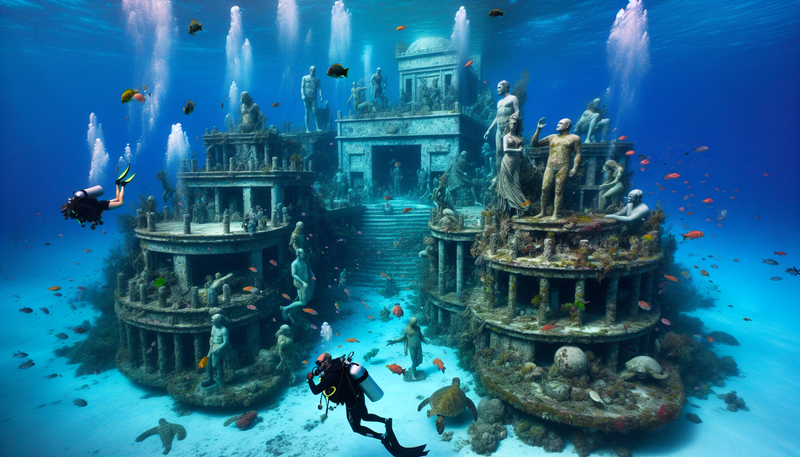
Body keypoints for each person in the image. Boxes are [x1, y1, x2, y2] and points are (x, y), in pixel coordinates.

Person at [307, 352, 429, 457]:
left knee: (356, 428)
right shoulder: (338, 364)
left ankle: (382, 437)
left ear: (327, 361)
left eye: (319, 363)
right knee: (364, 415)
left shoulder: (330, 376)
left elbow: (315, 391)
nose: (317, 366)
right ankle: (386, 420)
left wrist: (309, 379)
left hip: (352, 402)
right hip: (359, 394)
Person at [530, 117, 582, 220]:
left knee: (558, 191)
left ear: (567, 126)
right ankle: (543, 212)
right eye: (558, 123)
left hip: (563, 166)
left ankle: (555, 213)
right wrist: (538, 129)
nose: (557, 125)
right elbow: (533, 144)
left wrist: (575, 168)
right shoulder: (552, 137)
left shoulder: (575, 138)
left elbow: (578, 154)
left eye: (560, 123)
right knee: (544, 189)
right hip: (550, 166)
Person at [61, 164, 136, 229]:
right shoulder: (75, 211)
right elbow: (80, 217)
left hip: (102, 206)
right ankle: (117, 183)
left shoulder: (78, 207)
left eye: (65, 212)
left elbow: (92, 209)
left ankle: (122, 185)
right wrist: (83, 223)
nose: (65, 215)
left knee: (121, 203)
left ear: (68, 208)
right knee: (117, 199)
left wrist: (93, 221)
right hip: (100, 204)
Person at [483, 80, 519, 180]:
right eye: (497, 88)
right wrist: (489, 130)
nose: (497, 89)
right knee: (498, 151)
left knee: (507, 152)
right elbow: (497, 117)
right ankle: (499, 175)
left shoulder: (513, 98)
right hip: (499, 128)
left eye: (499, 87)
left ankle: (509, 175)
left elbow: (517, 111)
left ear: (505, 87)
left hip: (508, 128)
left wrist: (514, 119)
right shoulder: (499, 102)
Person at [495, 113, 528, 216]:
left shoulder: (520, 138)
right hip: (507, 162)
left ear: (517, 125)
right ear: (508, 125)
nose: (513, 125)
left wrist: (530, 162)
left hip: (517, 163)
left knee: (517, 185)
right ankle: (509, 211)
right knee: (506, 185)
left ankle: (522, 206)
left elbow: (524, 153)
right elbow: (505, 150)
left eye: (515, 124)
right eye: (511, 124)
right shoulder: (506, 137)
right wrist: (517, 150)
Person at [301, 66, 323, 132]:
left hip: (314, 98)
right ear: (309, 70)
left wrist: (320, 96)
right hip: (306, 97)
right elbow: (302, 87)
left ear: (315, 71)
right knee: (306, 112)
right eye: (311, 69)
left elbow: (319, 89)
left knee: (315, 113)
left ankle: (317, 127)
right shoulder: (304, 78)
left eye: (313, 70)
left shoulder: (317, 80)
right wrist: (302, 95)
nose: (312, 71)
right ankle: (307, 129)